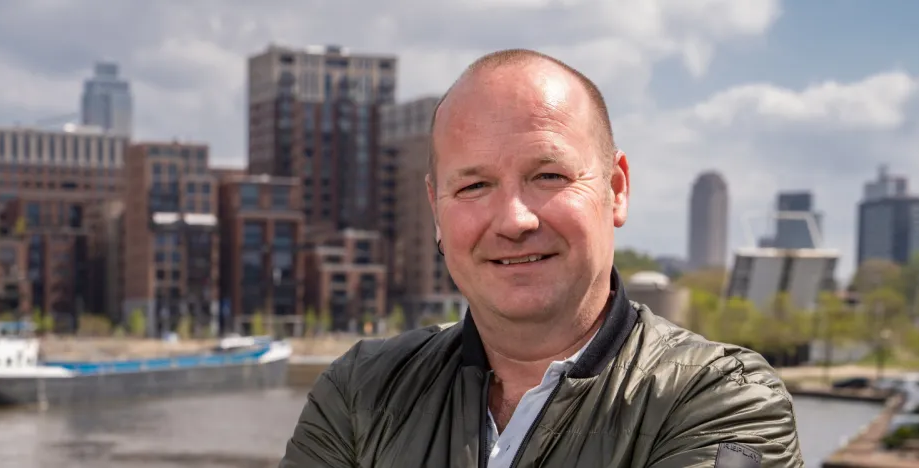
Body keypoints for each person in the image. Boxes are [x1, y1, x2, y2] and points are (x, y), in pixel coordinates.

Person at [280, 49, 803, 467]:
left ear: (616, 189)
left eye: (549, 176)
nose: (514, 220)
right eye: (475, 184)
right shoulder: (362, 392)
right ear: (436, 209)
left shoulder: (724, 402)